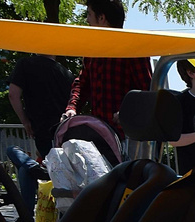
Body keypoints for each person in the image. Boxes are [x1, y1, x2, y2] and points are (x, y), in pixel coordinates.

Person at [62, 0, 152, 142]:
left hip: (127, 136)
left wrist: (126, 113)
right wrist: (71, 108)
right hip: (99, 134)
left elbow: (147, 92)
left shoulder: (132, 49)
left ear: (102, 18)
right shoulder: (92, 51)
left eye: (89, 14)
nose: (87, 20)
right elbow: (82, 84)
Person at [8, 53, 72, 160]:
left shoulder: (25, 64)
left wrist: (25, 121)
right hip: (65, 128)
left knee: (52, 167)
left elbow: (13, 95)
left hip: (41, 127)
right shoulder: (67, 73)